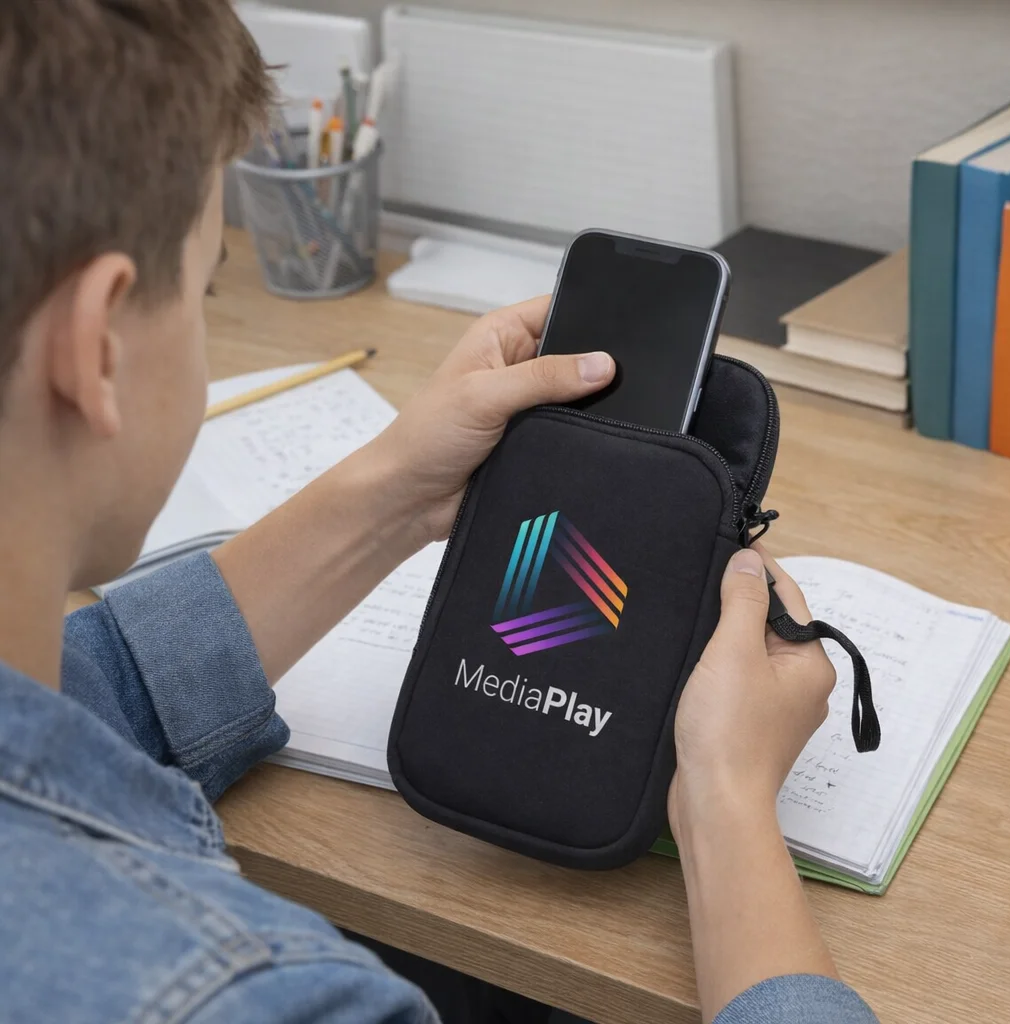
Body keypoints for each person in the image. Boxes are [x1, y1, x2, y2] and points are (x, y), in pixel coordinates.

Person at [0, 2, 878, 1022]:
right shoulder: (263, 1000)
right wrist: (723, 797)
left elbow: (76, 703)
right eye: (204, 289)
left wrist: (398, 490)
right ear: (96, 344)